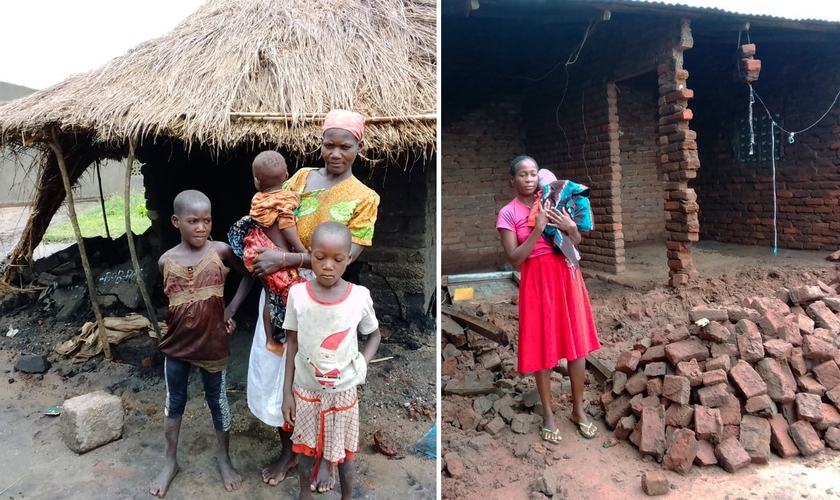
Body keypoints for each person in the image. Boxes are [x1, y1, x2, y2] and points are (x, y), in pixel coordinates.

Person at [227, 109, 379, 493]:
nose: (336, 153)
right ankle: (291, 450)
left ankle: (327, 458)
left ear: (359, 147)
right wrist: (269, 258)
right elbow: (270, 218)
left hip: (326, 297)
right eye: (329, 144)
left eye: (346, 146)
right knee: (282, 371)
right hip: (280, 292)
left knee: (322, 374)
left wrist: (288, 258)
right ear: (321, 144)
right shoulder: (299, 179)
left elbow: (347, 258)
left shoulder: (365, 198)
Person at [150, 190, 254, 497]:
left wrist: (230, 311)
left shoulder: (220, 251)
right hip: (177, 346)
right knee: (175, 402)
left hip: (213, 343)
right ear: (176, 221)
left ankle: (224, 457)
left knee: (218, 401)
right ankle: (170, 462)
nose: (201, 227)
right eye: (193, 221)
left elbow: (249, 275)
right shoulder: (166, 261)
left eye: (207, 220)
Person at [496, 155, 601, 444]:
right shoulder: (508, 213)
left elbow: (576, 241)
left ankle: (578, 409)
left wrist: (570, 228)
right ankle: (548, 414)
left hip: (567, 275)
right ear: (512, 180)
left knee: (577, 346)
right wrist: (539, 228)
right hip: (537, 281)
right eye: (522, 174)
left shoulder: (554, 199)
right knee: (543, 347)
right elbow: (515, 259)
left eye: (532, 173)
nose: (529, 179)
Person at [282, 221, 381, 500]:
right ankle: (305, 493)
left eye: (338, 260)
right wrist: (286, 392)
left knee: (346, 453)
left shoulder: (359, 297)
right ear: (309, 253)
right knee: (303, 447)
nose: (328, 266)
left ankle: (346, 496)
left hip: (343, 392)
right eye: (319, 257)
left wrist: (361, 364)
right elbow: (292, 342)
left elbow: (374, 336)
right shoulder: (298, 295)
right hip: (306, 389)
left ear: (348, 258)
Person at [241, 151, 308, 355]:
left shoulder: (258, 199)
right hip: (277, 259)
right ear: (287, 175)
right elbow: (287, 226)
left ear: (256, 181)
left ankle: (271, 339)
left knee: (271, 297)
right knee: (291, 297)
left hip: (259, 254)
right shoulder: (286, 199)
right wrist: (303, 251)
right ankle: (289, 340)